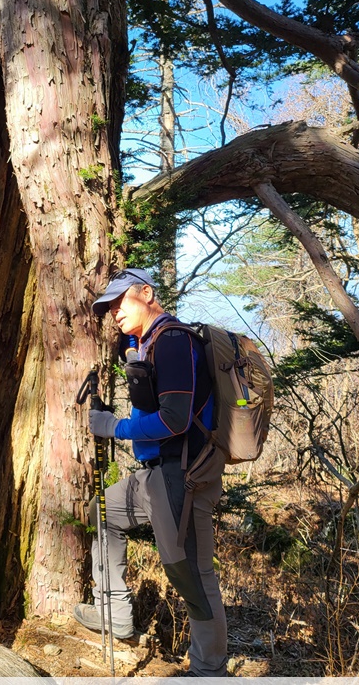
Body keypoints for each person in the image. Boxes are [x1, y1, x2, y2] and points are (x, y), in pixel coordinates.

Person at [74, 268, 228, 678]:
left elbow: (175, 420)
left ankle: (208, 671)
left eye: (119, 302)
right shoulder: (146, 343)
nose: (114, 312)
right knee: (103, 512)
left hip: (183, 477)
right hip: (153, 475)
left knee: (190, 574)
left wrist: (115, 427)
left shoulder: (174, 341)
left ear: (146, 292)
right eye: (109, 307)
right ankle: (114, 612)